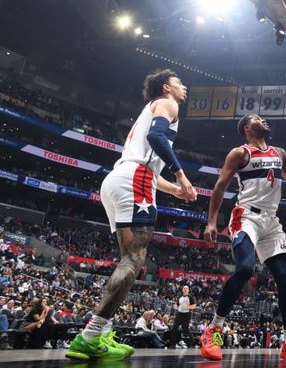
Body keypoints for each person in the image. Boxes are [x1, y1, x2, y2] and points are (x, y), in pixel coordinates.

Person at [66, 69, 197, 361]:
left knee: (128, 261)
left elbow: (147, 165)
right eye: (179, 83)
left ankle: (100, 334)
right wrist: (182, 175)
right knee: (134, 260)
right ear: (166, 87)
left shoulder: (147, 110)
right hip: (134, 179)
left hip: (120, 177)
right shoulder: (168, 104)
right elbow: (157, 136)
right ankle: (89, 335)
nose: (183, 87)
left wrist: (175, 190)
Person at [200, 114, 286, 361]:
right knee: (244, 268)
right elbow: (219, 186)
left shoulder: (279, 152)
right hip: (246, 216)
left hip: (271, 221)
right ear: (247, 128)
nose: (264, 120)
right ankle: (213, 330)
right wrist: (211, 222)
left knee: (285, 279)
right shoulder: (240, 153)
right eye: (257, 118)